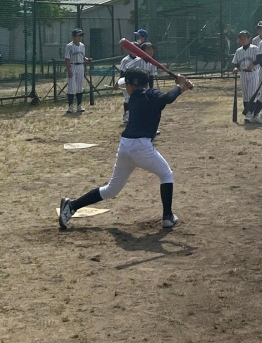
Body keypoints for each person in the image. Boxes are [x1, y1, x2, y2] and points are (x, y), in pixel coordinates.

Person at [58, 68, 193, 231]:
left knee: (111, 189)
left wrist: (181, 88)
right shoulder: (148, 95)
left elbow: (164, 100)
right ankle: (167, 217)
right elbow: (167, 98)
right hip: (141, 147)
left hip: (125, 146)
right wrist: (179, 85)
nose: (126, 87)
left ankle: (71, 206)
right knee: (166, 175)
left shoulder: (136, 97)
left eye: (127, 84)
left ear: (133, 85)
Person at [232, 31, 261, 121]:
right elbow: (236, 63)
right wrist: (236, 68)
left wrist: (253, 64)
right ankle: (250, 114)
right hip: (243, 73)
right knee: (245, 94)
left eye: (244, 38)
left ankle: (250, 114)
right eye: (241, 38)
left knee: (251, 94)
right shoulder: (238, 51)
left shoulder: (255, 48)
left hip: (253, 73)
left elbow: (260, 59)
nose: (242, 40)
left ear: (249, 39)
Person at [64, 29, 91, 114]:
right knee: (71, 87)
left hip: (80, 66)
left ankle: (79, 105)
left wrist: (87, 59)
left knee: (79, 87)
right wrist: (68, 70)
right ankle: (70, 106)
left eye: (81, 36)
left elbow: (83, 57)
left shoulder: (82, 46)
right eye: (78, 36)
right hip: (72, 66)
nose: (80, 37)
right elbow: (67, 59)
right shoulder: (69, 46)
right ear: (74, 37)